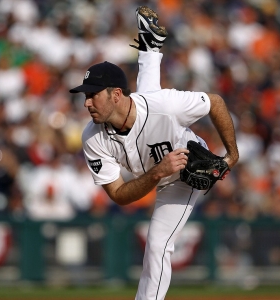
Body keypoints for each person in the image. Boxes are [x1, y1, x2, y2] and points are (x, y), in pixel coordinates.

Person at [69, 6, 239, 300]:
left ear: (116, 94)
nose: (87, 103)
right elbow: (119, 195)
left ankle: (150, 47)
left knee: (158, 246)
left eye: (92, 95)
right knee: (148, 95)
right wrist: (157, 171)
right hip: (158, 169)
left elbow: (215, 102)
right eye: (85, 95)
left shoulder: (166, 105)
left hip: (183, 174)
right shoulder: (92, 137)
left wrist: (231, 155)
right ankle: (150, 47)